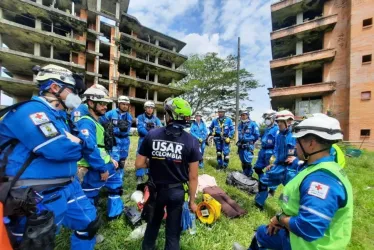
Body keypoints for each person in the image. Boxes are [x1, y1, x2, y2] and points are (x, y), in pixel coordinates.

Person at [0, 64, 101, 249]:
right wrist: (78, 144)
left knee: (90, 224)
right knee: (37, 243)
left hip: (69, 186)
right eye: (73, 90)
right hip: (35, 195)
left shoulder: (61, 116)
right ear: (55, 87)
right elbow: (59, 150)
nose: (76, 96)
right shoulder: (31, 111)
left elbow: (85, 145)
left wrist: (77, 143)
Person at [237, 114, 353, 250]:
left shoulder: (320, 180)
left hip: (305, 244)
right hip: (302, 237)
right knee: (263, 234)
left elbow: (308, 228)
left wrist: (280, 219)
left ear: (311, 144)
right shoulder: (322, 167)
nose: (295, 145)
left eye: (298, 141)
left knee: (261, 234)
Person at [135, 97, 200, 250]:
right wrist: (191, 201)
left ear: (169, 115)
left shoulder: (152, 135)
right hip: (176, 192)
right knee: (173, 232)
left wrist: (156, 161)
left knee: (153, 224)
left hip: (156, 191)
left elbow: (138, 164)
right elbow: (193, 176)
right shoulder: (192, 141)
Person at [76, 86, 123, 220]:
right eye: (101, 104)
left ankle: (114, 213)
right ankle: (89, 224)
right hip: (92, 168)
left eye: (106, 104)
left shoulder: (96, 121)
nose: (105, 107)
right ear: (90, 103)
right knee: (90, 195)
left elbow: (100, 147)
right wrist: (102, 168)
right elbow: (89, 149)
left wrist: (109, 159)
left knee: (116, 183)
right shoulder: (86, 123)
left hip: (103, 163)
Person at [254, 110, 299, 210]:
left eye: (280, 121)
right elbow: (277, 152)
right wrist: (273, 163)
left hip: (292, 169)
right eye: (277, 121)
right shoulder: (279, 135)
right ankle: (258, 203)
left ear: (289, 122)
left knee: (290, 192)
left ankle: (286, 210)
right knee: (263, 181)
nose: (278, 123)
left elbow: (306, 152)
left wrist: (296, 158)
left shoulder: (297, 136)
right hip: (279, 166)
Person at [101, 95, 133, 171]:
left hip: (125, 140)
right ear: (119, 104)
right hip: (114, 139)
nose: (125, 106)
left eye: (127, 104)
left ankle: (119, 177)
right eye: (123, 104)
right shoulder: (110, 114)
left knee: (122, 161)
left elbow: (128, 129)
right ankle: (112, 178)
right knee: (114, 160)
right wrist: (113, 129)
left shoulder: (129, 117)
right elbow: (102, 122)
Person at [136, 101, 162, 183]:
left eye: (151, 108)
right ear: (145, 108)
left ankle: (149, 173)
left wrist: (153, 134)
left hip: (153, 141)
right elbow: (140, 128)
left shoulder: (156, 119)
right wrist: (151, 134)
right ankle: (139, 175)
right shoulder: (140, 117)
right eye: (148, 107)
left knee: (151, 157)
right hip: (143, 140)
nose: (150, 109)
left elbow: (160, 128)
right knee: (140, 156)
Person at [254, 110, 279, 195]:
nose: (266, 120)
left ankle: (271, 190)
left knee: (270, 172)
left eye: (268, 118)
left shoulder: (276, 129)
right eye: (265, 118)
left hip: (271, 152)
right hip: (263, 150)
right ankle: (262, 181)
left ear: (273, 118)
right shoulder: (266, 129)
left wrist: (274, 156)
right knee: (257, 168)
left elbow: (277, 143)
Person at [236, 109, 260, 177]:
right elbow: (240, 134)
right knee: (243, 161)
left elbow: (257, 135)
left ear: (247, 115)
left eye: (244, 115)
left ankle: (249, 175)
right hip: (241, 146)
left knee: (248, 162)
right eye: (241, 115)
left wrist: (249, 140)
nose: (242, 116)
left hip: (248, 146)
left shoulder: (253, 124)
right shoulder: (240, 124)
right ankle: (244, 174)